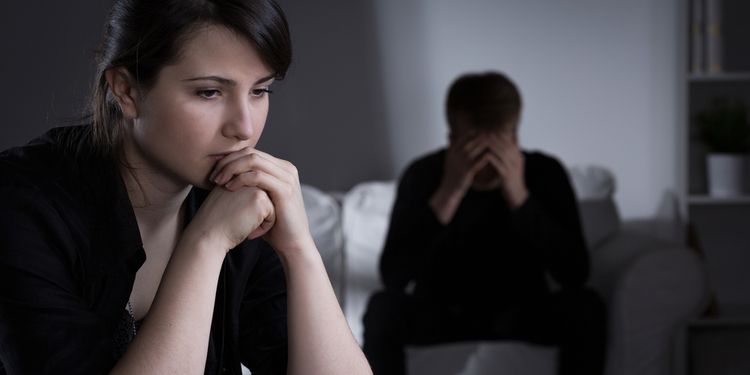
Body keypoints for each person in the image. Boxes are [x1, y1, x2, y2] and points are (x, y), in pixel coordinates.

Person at [0, 1, 371, 374]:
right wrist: (205, 243)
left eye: (260, 91)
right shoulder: (22, 203)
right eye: (209, 92)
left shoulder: (238, 200)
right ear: (126, 91)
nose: (243, 127)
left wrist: (298, 249)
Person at [362, 71, 606, 375]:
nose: (487, 162)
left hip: (521, 310)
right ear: (452, 140)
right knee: (382, 309)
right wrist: (451, 190)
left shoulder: (545, 173)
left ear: (514, 138)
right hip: (443, 312)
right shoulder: (423, 174)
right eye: (474, 147)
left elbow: (575, 274)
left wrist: (519, 196)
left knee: (587, 307)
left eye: (498, 145)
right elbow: (394, 278)